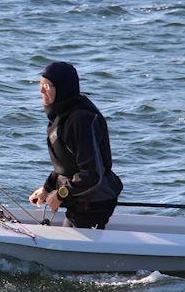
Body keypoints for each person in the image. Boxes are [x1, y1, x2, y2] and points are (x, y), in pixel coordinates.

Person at [28, 61, 123, 229]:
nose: (41, 90)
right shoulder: (63, 115)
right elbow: (67, 165)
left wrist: (61, 194)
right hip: (80, 200)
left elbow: (91, 174)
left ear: (63, 88)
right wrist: (47, 188)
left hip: (93, 203)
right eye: (41, 85)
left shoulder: (80, 120)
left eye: (48, 86)